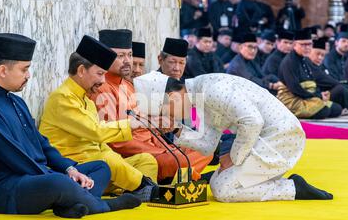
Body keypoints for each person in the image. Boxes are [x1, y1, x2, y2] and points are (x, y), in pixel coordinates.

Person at [0, 33, 141, 218]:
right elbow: (15, 158)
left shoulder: (16, 101)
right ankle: (102, 206)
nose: (28, 75)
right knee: (58, 183)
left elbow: (42, 144)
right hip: (4, 190)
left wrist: (69, 169)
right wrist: (60, 177)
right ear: (2, 71)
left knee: (101, 168)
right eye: (24, 70)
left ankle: (70, 203)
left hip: (35, 177)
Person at [133, 71, 333, 203]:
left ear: (173, 96)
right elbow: (209, 144)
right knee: (215, 183)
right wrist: (176, 130)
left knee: (224, 191)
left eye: (165, 110)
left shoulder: (212, 89)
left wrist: (235, 157)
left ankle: (292, 188)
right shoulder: (199, 94)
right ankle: (271, 178)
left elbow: (253, 122)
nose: (168, 115)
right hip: (261, 139)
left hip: (281, 137)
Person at [39, 34, 159, 202]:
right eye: (99, 74)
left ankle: (130, 188)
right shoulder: (62, 98)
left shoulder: (87, 99)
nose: (103, 80)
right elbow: (96, 132)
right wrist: (130, 125)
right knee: (109, 161)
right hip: (74, 168)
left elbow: (100, 145)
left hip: (99, 164)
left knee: (146, 160)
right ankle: (144, 188)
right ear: (81, 70)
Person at [92, 35, 213, 183]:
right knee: (180, 160)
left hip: (160, 147)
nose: (127, 61)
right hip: (141, 155)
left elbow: (153, 128)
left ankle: (183, 176)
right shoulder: (103, 89)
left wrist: (168, 146)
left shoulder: (130, 86)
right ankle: (183, 177)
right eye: (120, 56)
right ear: (160, 60)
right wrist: (162, 151)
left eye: (129, 55)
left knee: (206, 150)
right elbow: (116, 142)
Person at [277, 29, 342, 119]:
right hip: (292, 100)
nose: (307, 47)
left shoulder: (305, 59)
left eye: (309, 44)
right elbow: (294, 88)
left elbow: (313, 82)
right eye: (303, 44)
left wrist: (320, 94)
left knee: (336, 109)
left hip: (307, 97)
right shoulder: (289, 62)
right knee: (324, 111)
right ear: (295, 45)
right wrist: (317, 96)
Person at [308, 38, 348, 113]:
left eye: (323, 55)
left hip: (324, 94)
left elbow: (331, 80)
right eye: (317, 54)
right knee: (340, 89)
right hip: (315, 97)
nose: (320, 57)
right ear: (309, 52)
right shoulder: (309, 65)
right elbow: (330, 81)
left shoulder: (321, 66)